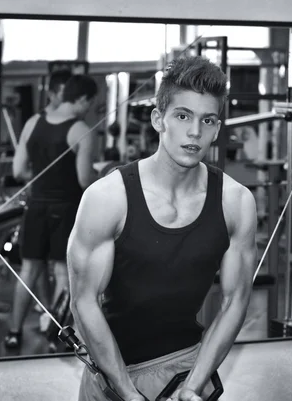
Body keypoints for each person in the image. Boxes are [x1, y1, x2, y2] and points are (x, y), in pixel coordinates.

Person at [67, 56, 258, 401]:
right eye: (183, 116)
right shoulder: (107, 198)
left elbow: (236, 299)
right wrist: (126, 390)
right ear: (159, 119)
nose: (195, 132)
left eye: (208, 120)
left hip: (188, 364)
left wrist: (193, 386)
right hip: (112, 371)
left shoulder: (236, 202)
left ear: (217, 128)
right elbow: (84, 301)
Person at [5, 72, 98, 349]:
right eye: (90, 104)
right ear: (81, 99)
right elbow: (84, 181)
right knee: (61, 273)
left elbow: (18, 170)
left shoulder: (33, 122)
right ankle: (57, 339)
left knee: (29, 270)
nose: (89, 110)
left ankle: (13, 332)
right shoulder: (80, 130)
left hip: (36, 207)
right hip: (66, 207)